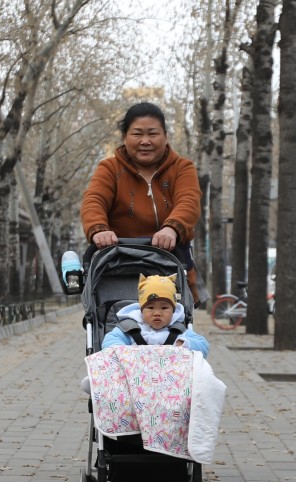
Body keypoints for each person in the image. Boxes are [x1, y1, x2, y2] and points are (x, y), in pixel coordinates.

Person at [80, 102, 205, 304]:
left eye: (152, 134)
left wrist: (171, 229)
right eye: (137, 134)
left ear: (165, 136)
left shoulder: (182, 167)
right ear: (124, 137)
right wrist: (98, 229)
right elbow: (94, 200)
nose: (145, 141)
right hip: (117, 262)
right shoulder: (109, 168)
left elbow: (188, 201)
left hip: (170, 259)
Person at [102, 274, 209, 358]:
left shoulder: (178, 330)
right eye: (151, 308)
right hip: (134, 376)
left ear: (173, 310)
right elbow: (110, 340)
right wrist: (122, 351)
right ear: (141, 310)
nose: (157, 313)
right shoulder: (130, 327)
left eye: (164, 308)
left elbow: (203, 346)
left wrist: (186, 344)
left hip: (170, 379)